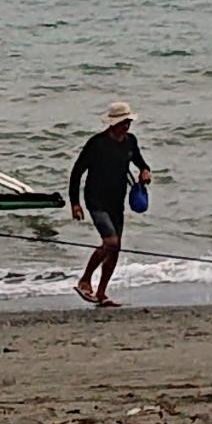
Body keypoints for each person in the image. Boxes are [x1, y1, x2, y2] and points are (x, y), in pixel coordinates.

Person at [69, 101, 152, 307]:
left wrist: (145, 171)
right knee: (111, 242)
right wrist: (75, 203)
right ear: (113, 123)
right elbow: (76, 172)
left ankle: (101, 294)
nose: (127, 125)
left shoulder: (130, 141)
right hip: (95, 200)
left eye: (128, 121)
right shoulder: (97, 144)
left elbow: (141, 163)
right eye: (123, 122)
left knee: (116, 249)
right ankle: (85, 279)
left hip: (117, 201)